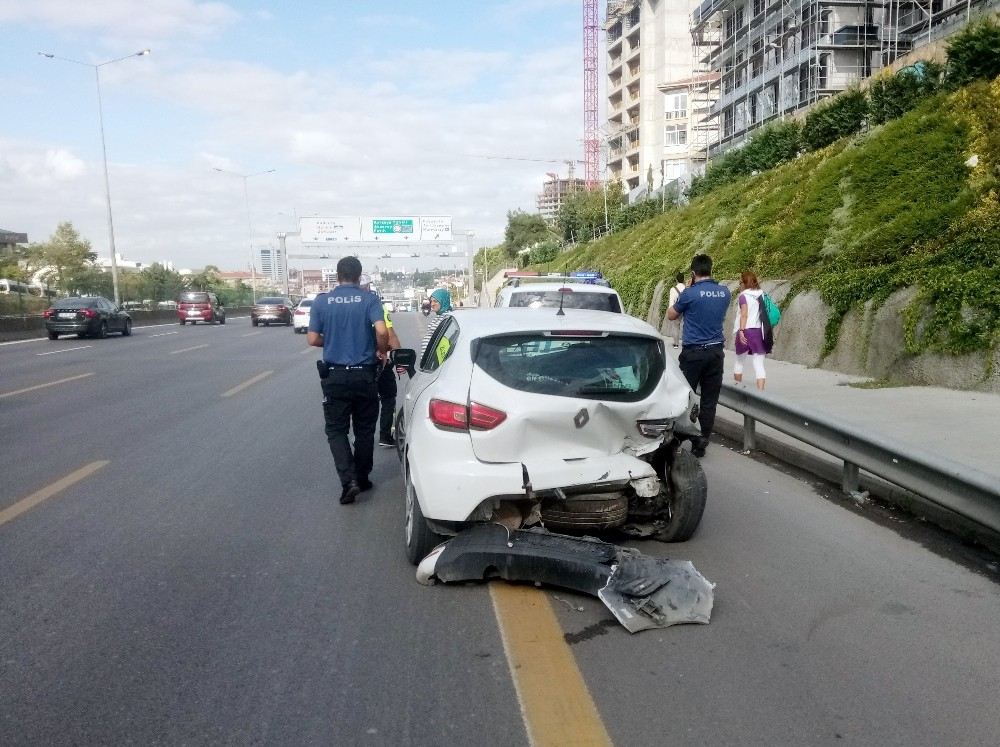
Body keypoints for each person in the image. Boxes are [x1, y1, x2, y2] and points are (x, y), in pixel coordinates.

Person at [308, 257, 388, 504]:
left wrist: (331, 341)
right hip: (364, 374)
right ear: (359, 275)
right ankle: (362, 478)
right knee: (364, 430)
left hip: (335, 376)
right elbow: (382, 331)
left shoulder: (322, 302)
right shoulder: (369, 299)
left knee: (336, 430)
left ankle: (348, 480)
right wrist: (381, 350)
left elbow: (312, 339)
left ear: (337, 274)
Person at [666, 254, 731, 458]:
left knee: (685, 396)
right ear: (711, 270)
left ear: (693, 273)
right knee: (710, 400)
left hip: (693, 353)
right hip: (715, 353)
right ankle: (701, 441)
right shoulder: (724, 293)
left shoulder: (689, 294)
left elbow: (671, 314)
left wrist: (686, 291)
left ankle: (678, 438)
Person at [359, 274, 403, 447]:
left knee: (361, 403)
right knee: (388, 396)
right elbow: (388, 334)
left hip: (354, 364)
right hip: (379, 361)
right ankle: (385, 434)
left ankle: (361, 437)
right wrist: (398, 355)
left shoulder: (343, 306)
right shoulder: (375, 305)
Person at [732, 271, 770, 391]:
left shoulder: (743, 296)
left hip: (745, 330)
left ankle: (737, 389)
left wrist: (742, 331)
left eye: (740, 282)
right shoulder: (762, 295)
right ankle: (761, 393)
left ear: (744, 283)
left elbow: (744, 314)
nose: (739, 284)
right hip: (758, 331)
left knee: (739, 362)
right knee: (759, 364)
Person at [419, 288, 453, 361]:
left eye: (435, 301)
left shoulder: (448, 318)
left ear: (443, 301)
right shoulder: (440, 317)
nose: (432, 304)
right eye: (431, 301)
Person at [665, 272, 687, 348]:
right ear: (683, 279)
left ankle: (676, 344)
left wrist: (671, 312)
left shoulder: (673, 289)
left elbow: (671, 302)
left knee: (676, 326)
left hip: (677, 308)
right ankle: (686, 343)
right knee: (687, 325)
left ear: (676, 279)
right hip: (686, 309)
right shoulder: (687, 288)